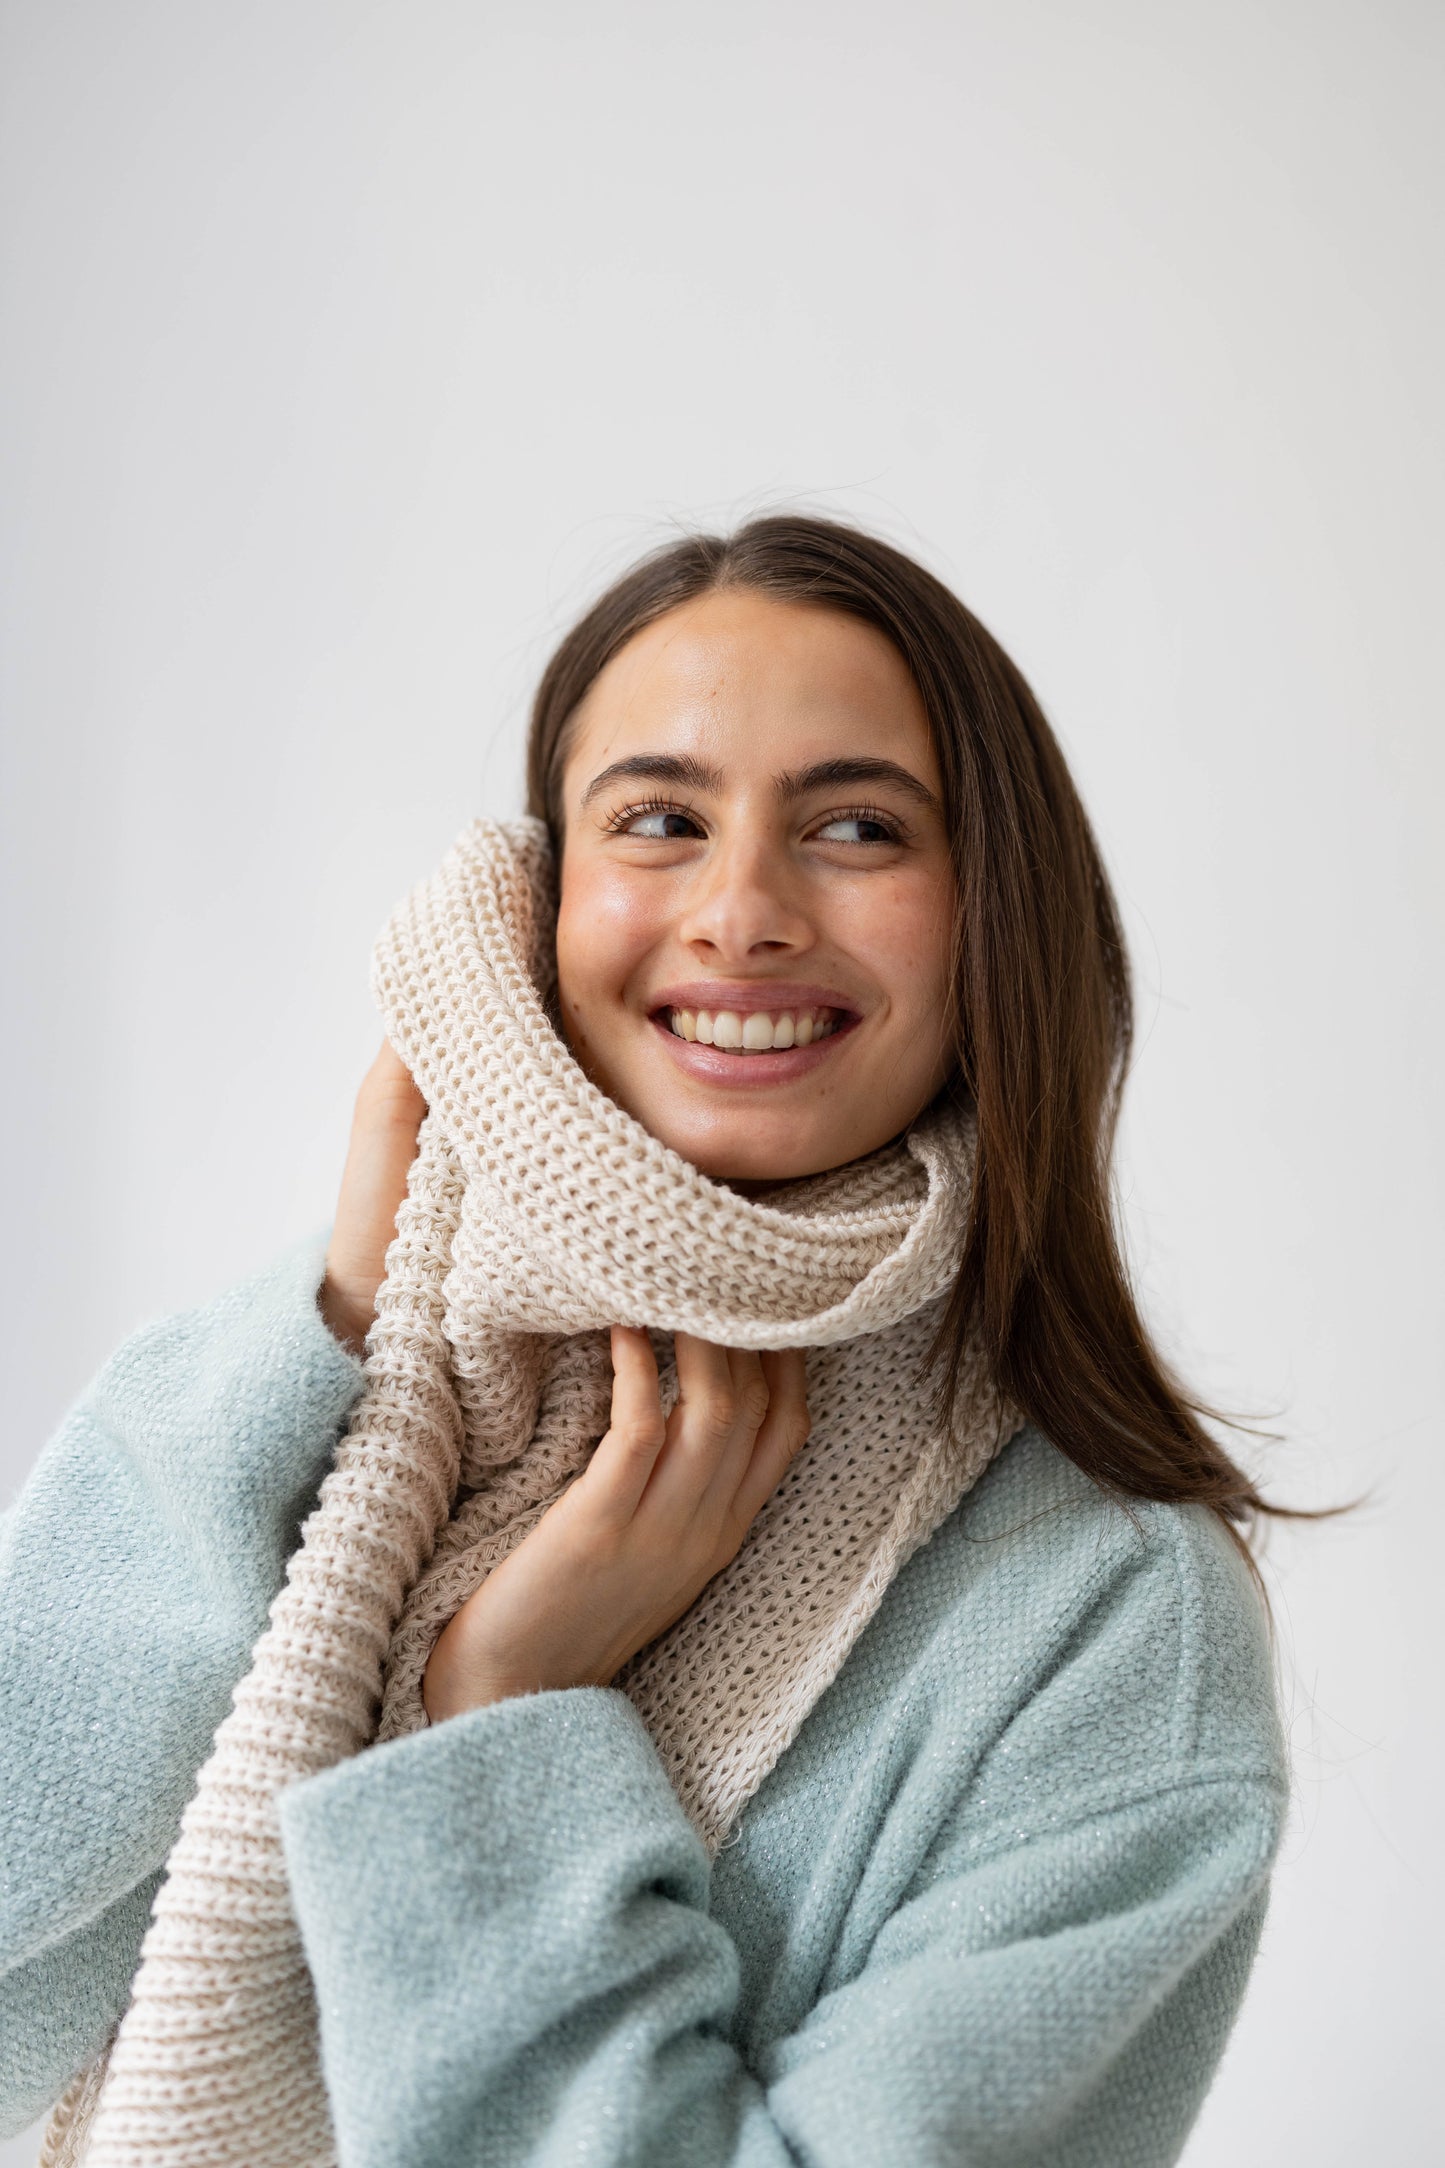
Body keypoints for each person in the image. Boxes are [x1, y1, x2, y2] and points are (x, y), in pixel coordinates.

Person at [2, 516, 1291, 2168]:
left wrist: (503, 1721)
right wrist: (338, 1322)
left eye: (855, 827)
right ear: (538, 901)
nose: (741, 912)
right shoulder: (328, 1396)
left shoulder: (1111, 1625)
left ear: (992, 923)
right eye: (660, 820)